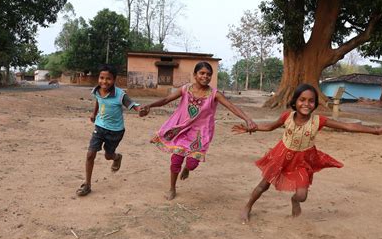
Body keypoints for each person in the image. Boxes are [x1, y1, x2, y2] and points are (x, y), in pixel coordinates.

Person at [233, 84, 382, 222]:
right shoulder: (287, 116)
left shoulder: (319, 121)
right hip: (281, 156)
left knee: (302, 196)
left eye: (311, 101)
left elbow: (347, 126)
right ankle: (247, 207)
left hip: (302, 160)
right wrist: (250, 127)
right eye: (302, 99)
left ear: (315, 104)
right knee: (263, 185)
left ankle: (294, 202)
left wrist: (375, 131)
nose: (306, 104)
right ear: (295, 101)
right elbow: (269, 127)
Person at [139, 61, 258, 200]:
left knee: (192, 164)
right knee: (176, 160)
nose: (205, 76)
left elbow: (231, 107)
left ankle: (187, 169)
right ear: (195, 75)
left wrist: (247, 119)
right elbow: (166, 99)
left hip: (200, 135)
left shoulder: (214, 94)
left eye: (208, 74)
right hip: (182, 130)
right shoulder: (185, 89)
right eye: (202, 73)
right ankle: (172, 188)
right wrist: (149, 106)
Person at [76, 64, 141, 196]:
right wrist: (94, 114)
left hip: (116, 131)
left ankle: (116, 157)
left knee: (108, 156)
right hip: (100, 127)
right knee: (90, 154)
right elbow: (99, 101)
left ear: (114, 79)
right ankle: (87, 184)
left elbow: (132, 104)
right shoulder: (97, 90)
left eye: (108, 79)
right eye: (101, 78)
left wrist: (140, 110)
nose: (104, 81)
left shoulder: (120, 94)